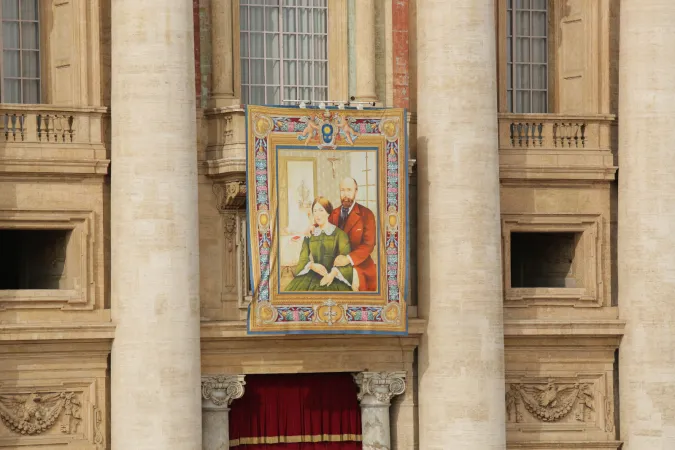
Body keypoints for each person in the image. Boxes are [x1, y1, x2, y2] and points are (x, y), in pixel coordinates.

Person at [284, 197, 354, 292]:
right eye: (315, 211)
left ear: (328, 212)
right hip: (311, 274)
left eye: (321, 210)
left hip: (334, 276)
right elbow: (303, 258)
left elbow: (345, 259)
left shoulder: (340, 234)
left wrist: (332, 274)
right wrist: (312, 266)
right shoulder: (310, 234)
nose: (317, 215)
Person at [328, 177, 377, 291]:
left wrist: (348, 259)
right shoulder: (333, 214)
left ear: (356, 191)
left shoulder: (366, 214)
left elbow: (369, 244)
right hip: (335, 263)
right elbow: (324, 229)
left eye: (349, 190)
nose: (345, 194)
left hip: (359, 265)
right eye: (342, 190)